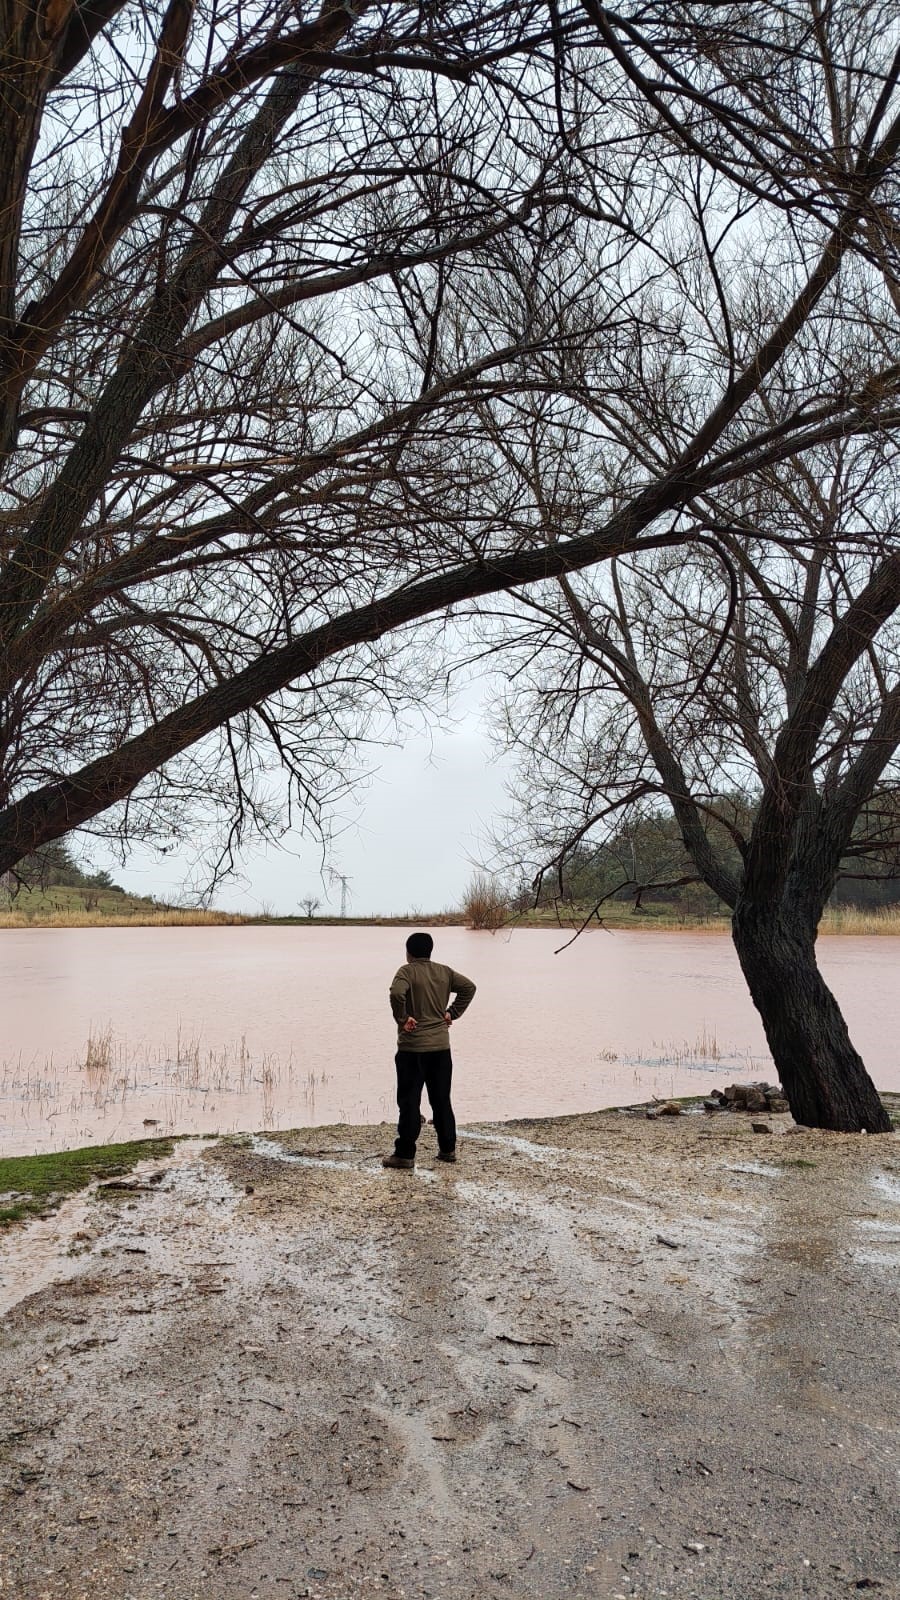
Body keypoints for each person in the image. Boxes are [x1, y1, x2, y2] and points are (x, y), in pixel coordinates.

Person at [382, 932, 476, 1169]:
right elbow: (469, 988)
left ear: (408, 952)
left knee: (409, 1101)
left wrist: (403, 1018)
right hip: (441, 1048)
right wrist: (451, 1013)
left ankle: (404, 1154)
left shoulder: (406, 971)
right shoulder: (444, 971)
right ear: (430, 951)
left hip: (412, 1049)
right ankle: (448, 1149)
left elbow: (396, 993)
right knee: (441, 1100)